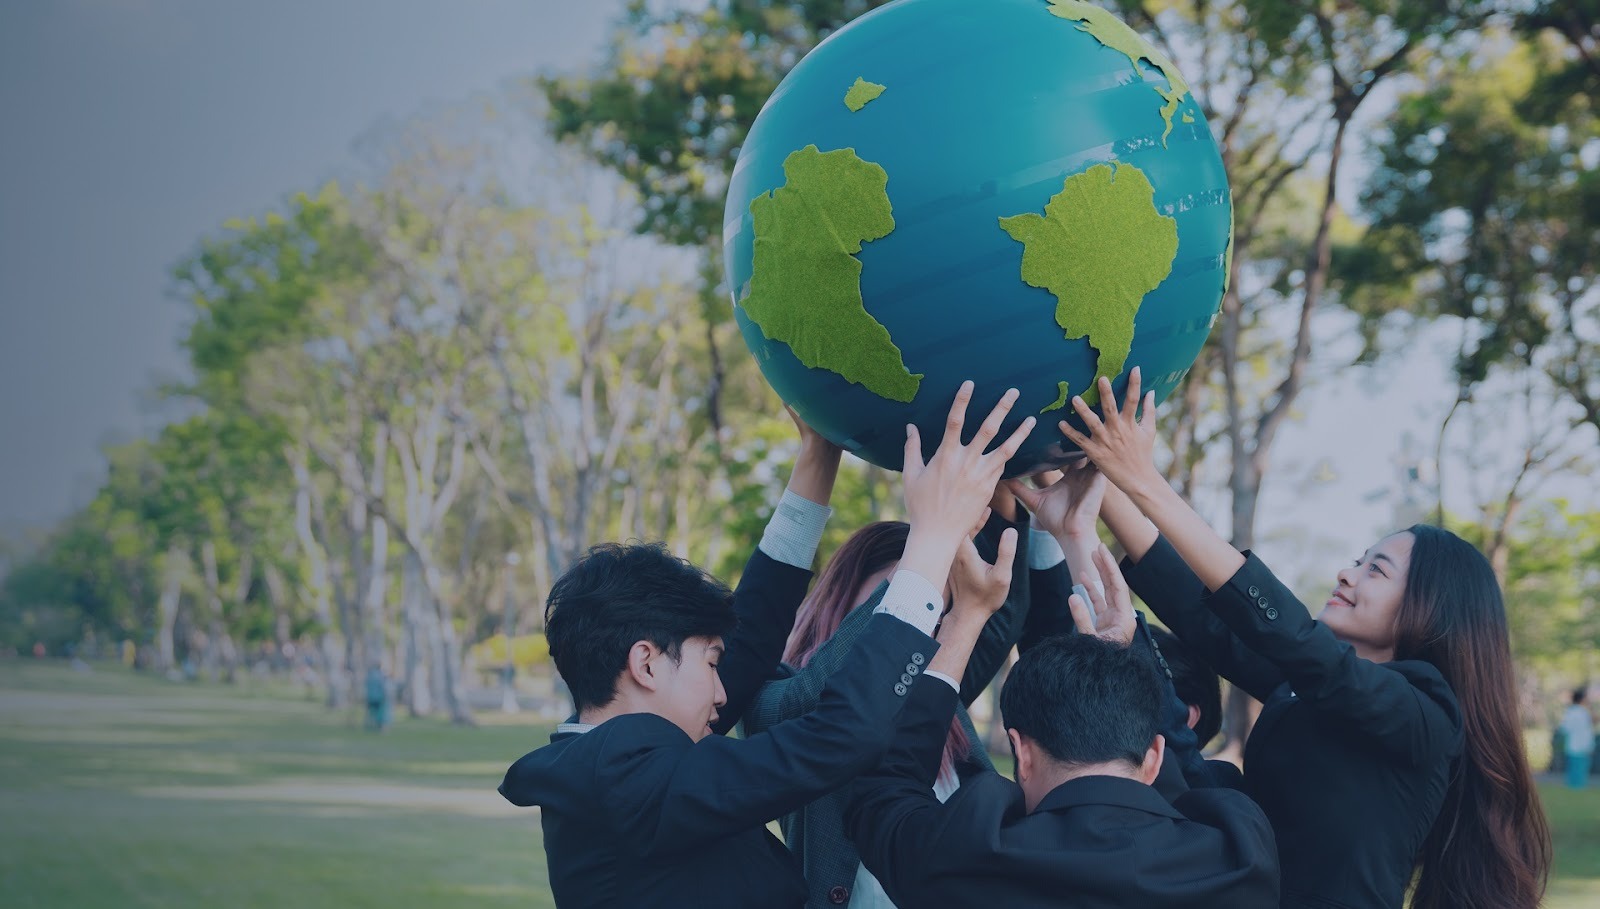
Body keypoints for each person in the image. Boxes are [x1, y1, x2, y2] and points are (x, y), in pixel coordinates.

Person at [498, 383, 1034, 909]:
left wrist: (818, 458)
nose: (722, 691)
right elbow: (842, 736)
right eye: (711, 663)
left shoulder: (613, 761)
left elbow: (751, 638)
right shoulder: (626, 777)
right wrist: (932, 541)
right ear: (646, 664)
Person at [1061, 368, 1552, 909]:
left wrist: (1143, 480)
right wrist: (1098, 496)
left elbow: (1297, 641)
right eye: (1358, 561)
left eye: (1376, 570)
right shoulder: (1305, 691)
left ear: (1429, 609)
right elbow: (1209, 620)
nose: (1347, 574)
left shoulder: (1425, 713)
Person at [846, 548, 1280, 909]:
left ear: (1022, 753)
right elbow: (1177, 790)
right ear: (1154, 757)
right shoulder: (1240, 857)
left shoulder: (962, 857)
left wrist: (967, 616)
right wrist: (1124, 667)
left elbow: (886, 789)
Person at [742, 488, 1034, 909]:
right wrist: (926, 557)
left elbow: (1001, 615)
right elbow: (817, 698)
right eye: (908, 603)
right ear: (843, 598)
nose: (918, 626)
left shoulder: (932, 692)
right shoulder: (779, 695)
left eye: (933, 610)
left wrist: (1003, 477)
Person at [1561, 687, 1594, 789]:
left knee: (1573, 768)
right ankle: (1578, 787)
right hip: (1583, 745)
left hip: (1573, 745)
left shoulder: (1569, 712)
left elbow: (1564, 728)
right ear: (1582, 699)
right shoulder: (1584, 712)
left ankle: (1573, 787)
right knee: (1581, 769)